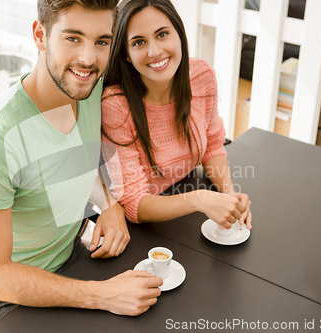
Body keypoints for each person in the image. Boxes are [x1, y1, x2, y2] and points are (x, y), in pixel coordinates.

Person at [0, 1, 163, 331]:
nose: (88, 59)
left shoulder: (86, 90)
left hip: (64, 256)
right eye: (73, 38)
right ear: (40, 35)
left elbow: (71, 156)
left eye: (101, 41)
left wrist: (109, 205)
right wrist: (101, 295)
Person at [101, 0, 252, 230]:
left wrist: (229, 195)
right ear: (127, 54)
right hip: (147, 228)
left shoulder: (202, 76)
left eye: (162, 34)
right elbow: (134, 203)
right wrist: (199, 200)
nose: (155, 51)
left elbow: (212, 144)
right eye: (139, 42)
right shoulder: (115, 106)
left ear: (179, 34)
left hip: (186, 208)